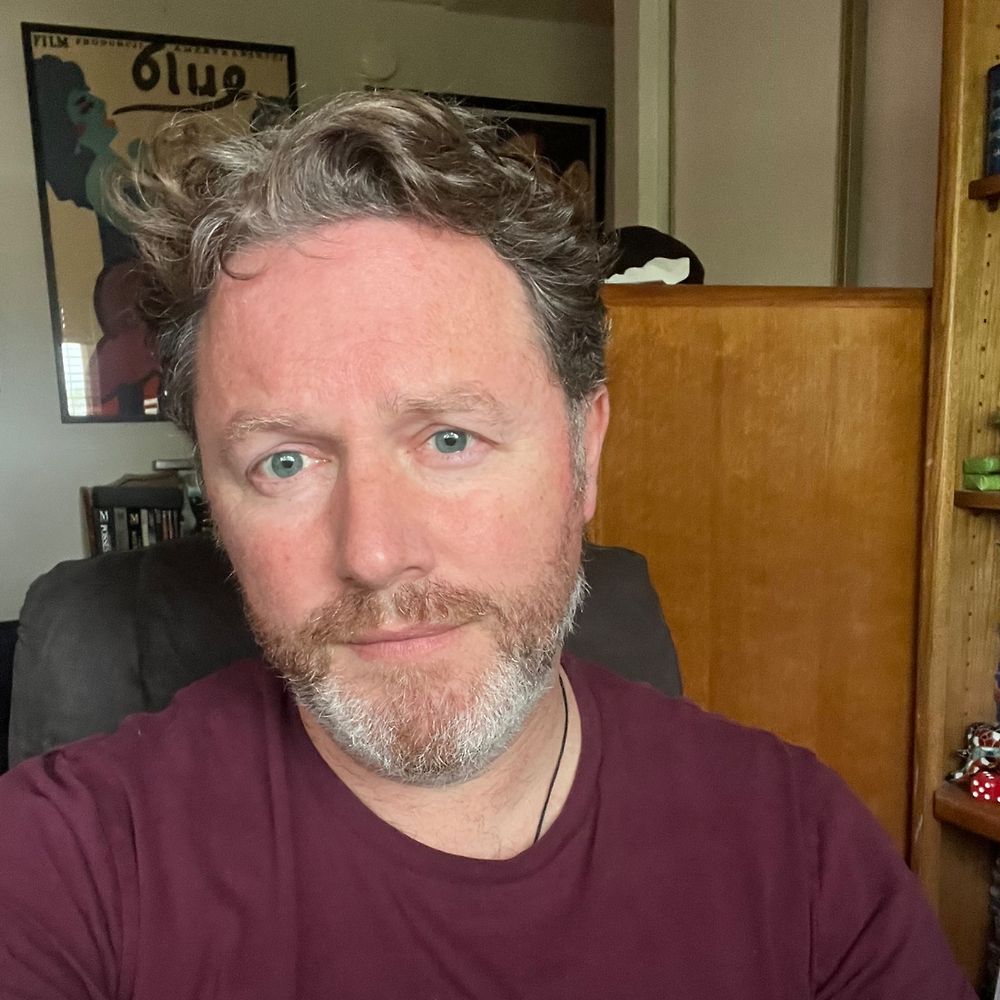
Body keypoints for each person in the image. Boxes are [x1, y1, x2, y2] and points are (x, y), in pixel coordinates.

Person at [0, 91, 973, 998]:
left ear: (583, 454)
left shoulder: (800, 854)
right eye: (284, 462)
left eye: (450, 440)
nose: (375, 553)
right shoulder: (63, 864)